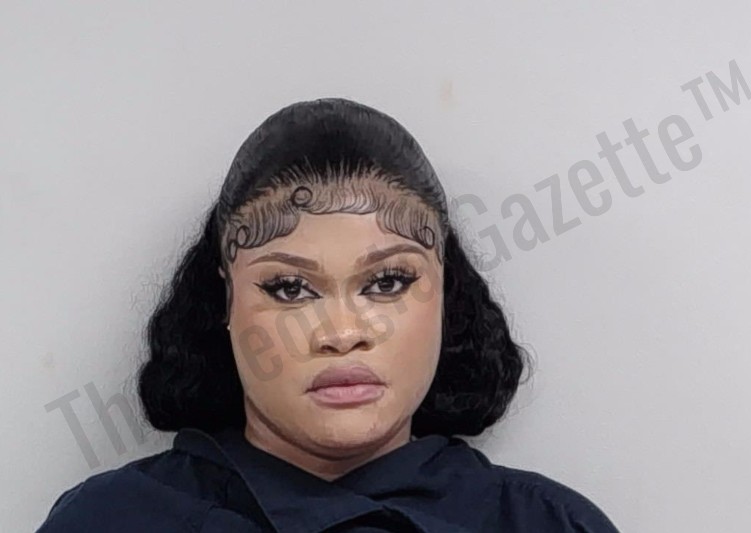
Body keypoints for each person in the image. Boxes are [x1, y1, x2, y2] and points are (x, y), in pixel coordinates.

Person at [38, 98, 620, 532]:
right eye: (290, 288)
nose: (342, 334)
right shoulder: (108, 522)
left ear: (447, 293)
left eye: (388, 282)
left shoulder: (549, 525)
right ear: (225, 301)